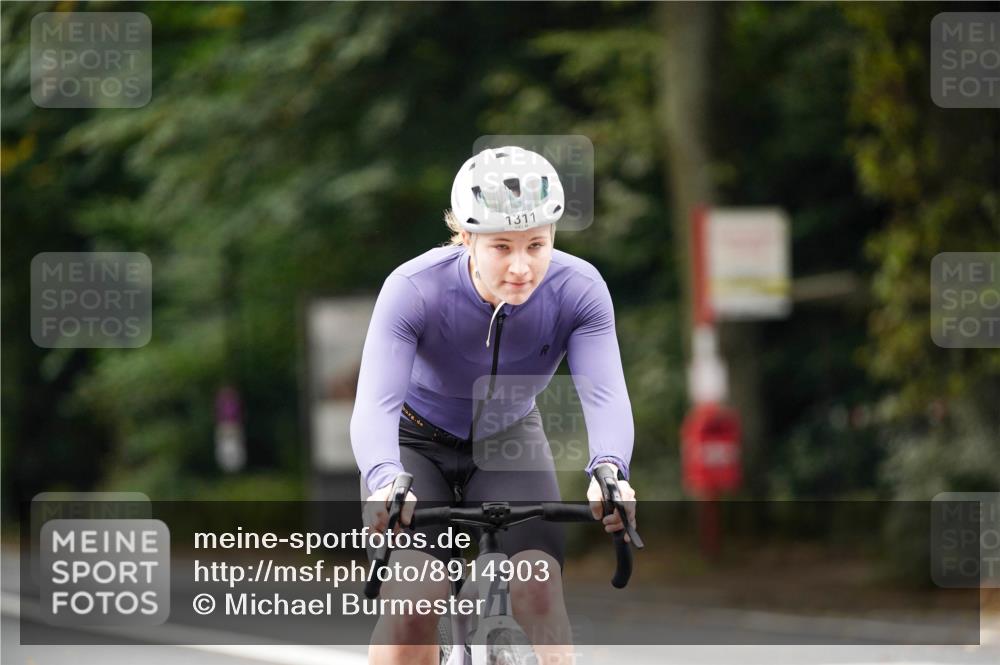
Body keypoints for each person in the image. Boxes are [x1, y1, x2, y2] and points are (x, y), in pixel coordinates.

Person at [351, 146, 637, 665]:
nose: (522, 266)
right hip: (414, 445)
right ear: (465, 236)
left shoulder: (580, 290)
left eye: (536, 244)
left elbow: (605, 392)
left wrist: (610, 469)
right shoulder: (414, 290)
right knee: (413, 607)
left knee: (539, 593)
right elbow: (374, 402)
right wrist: (382, 476)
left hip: (508, 437)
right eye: (501, 246)